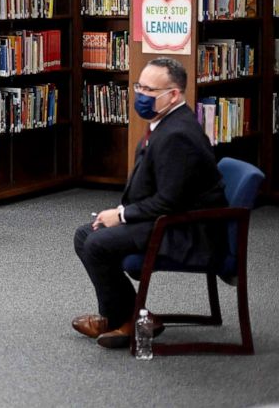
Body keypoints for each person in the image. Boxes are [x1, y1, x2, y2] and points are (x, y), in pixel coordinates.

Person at [72, 57, 227, 348]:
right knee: (85, 234)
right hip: (170, 217)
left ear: (174, 95)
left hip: (186, 230)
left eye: (150, 91)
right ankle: (128, 316)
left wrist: (121, 215)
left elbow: (169, 202)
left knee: (96, 242)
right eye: (139, 87)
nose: (141, 96)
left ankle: (127, 321)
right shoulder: (166, 122)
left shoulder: (178, 134)